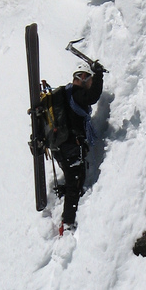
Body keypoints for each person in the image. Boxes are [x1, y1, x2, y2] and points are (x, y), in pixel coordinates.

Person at [54, 62, 105, 234]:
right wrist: (99, 75)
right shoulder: (76, 95)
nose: (90, 83)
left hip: (60, 146)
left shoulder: (66, 93)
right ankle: (67, 223)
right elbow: (92, 97)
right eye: (88, 79)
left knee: (75, 177)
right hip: (70, 146)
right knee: (74, 183)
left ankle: (67, 192)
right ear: (83, 78)